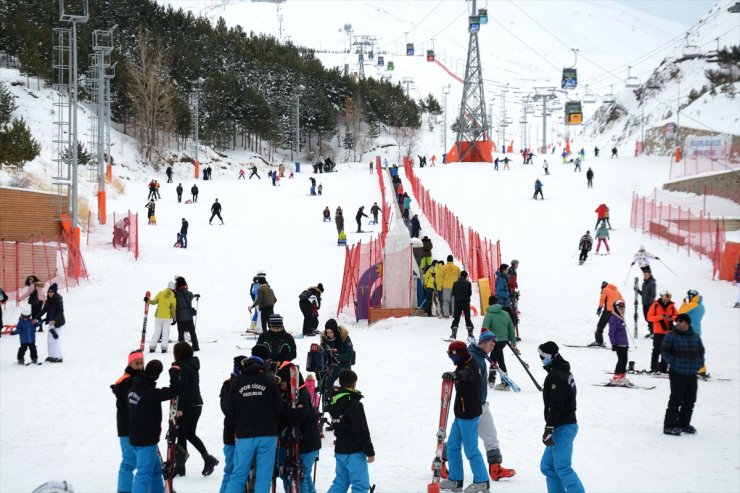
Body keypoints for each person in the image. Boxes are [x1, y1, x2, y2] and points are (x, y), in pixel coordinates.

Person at [223, 350, 282, 493]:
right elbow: (279, 408)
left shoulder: (237, 382)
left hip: (245, 434)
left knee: (238, 475)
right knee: (264, 476)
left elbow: (230, 410)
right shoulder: (269, 380)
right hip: (268, 434)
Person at [439, 341, 489, 493]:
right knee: (453, 447)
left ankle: (482, 481)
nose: (450, 358)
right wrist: (454, 374)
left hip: (469, 415)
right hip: (460, 414)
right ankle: (455, 480)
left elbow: (467, 375)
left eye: (451, 355)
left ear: (458, 354)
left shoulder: (471, 365)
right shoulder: (462, 363)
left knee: (471, 449)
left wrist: (455, 375)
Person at [467, 330, 516, 480]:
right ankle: (440, 461)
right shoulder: (472, 357)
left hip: (482, 404)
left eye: (494, 344)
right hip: (470, 407)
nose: (492, 347)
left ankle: (495, 468)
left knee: (491, 436)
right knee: (462, 438)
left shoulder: (481, 356)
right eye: (491, 344)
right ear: (482, 343)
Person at [537, 342, 585, 493]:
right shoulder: (561, 371)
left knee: (562, 467)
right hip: (562, 425)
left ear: (549, 357)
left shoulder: (556, 376)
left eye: (542, 356)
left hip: (563, 426)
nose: (540, 359)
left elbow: (558, 404)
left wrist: (550, 427)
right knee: (548, 466)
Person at [127, 359, 180, 493]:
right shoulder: (150, 393)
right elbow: (174, 391)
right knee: (143, 475)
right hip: (145, 441)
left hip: (136, 438)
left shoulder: (135, 385)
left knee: (156, 472)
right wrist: (174, 373)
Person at [172, 342, 219, 477]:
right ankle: (207, 458)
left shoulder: (183, 367)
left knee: (182, 434)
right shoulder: (192, 365)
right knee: (189, 434)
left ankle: (180, 467)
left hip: (188, 406)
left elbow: (184, 388)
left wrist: (179, 408)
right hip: (197, 404)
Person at [326, 369, 375, 493]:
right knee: (360, 486)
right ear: (354, 384)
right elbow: (361, 429)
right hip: (354, 452)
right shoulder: (354, 404)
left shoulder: (335, 402)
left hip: (340, 451)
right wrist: (369, 451)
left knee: (340, 483)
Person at [277, 363, 321, 493]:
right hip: (301, 444)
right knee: (304, 478)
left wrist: (281, 409)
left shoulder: (302, 396)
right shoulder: (289, 395)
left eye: (283, 382)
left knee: (299, 479)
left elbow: (297, 416)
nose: (281, 385)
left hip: (306, 445)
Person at [661, 313, 704, 436]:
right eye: (677, 321)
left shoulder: (695, 337)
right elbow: (664, 352)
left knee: (690, 400)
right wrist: (673, 362)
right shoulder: (671, 336)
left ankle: (684, 424)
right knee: (676, 400)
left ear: (687, 323)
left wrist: (699, 364)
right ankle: (669, 426)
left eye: (681, 321)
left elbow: (701, 352)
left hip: (691, 374)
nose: (678, 323)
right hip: (677, 373)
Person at [111, 350, 144, 493]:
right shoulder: (128, 381)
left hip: (134, 427)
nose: (140, 366)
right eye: (136, 364)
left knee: (138, 461)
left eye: (142, 363)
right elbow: (132, 404)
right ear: (130, 364)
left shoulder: (136, 379)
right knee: (129, 462)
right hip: (127, 428)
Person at [218, 354, 247, 493]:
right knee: (231, 470)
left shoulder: (247, 383)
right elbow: (226, 409)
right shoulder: (228, 384)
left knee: (242, 471)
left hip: (246, 434)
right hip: (231, 434)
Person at [481, 295, 517, 391]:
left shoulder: (489, 314)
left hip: (494, 341)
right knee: (493, 357)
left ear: (489, 303)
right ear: (497, 303)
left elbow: (484, 329)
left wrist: (482, 343)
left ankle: (505, 383)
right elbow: (511, 328)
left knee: (500, 361)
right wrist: (513, 341)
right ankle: (491, 380)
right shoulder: (505, 313)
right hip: (504, 341)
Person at [647, 290, 677, 373]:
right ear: (662, 296)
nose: (667, 299)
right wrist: (660, 317)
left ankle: (664, 368)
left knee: (666, 350)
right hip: (658, 331)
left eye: (669, 297)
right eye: (665, 297)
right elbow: (649, 317)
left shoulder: (672, 306)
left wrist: (672, 318)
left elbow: (677, 316)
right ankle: (654, 367)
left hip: (668, 332)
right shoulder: (655, 305)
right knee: (656, 349)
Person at [679, 289, 707, 375]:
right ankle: (702, 369)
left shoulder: (693, 305)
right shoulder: (701, 306)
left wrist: (684, 303)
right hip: (697, 329)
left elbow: (680, 313)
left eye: (689, 296)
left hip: (690, 330)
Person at [145, 282, 177, 353]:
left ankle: (152, 348)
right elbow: (173, 308)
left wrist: (147, 301)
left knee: (156, 332)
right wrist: (174, 318)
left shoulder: (161, 293)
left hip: (158, 316)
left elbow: (154, 302)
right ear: (173, 288)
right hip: (167, 318)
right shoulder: (173, 297)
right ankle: (164, 348)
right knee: (165, 333)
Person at [38, 283, 65, 363]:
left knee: (55, 339)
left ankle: (58, 357)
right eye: (49, 291)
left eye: (51, 291)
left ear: (55, 292)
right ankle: (51, 356)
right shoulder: (49, 300)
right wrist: (36, 317)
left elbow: (61, 312)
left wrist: (55, 320)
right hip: (51, 321)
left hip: (58, 322)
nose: (50, 293)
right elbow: (44, 310)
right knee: (49, 339)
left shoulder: (58, 299)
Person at [593, 281, 624, 347]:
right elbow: (622, 301)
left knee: (600, 326)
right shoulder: (616, 291)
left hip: (607, 311)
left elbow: (602, 300)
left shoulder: (605, 289)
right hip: (615, 312)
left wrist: (599, 309)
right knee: (615, 328)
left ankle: (599, 341)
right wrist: (620, 312)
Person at [608, 301, 631, 386]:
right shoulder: (613, 318)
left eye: (623, 308)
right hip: (618, 344)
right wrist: (613, 344)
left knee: (625, 360)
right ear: (616, 309)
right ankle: (616, 378)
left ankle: (622, 377)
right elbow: (611, 332)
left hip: (624, 343)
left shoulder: (620, 318)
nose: (622, 310)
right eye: (620, 308)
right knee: (621, 360)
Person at [174, 276, 199, 351]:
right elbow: (191, 295)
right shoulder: (190, 294)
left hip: (180, 318)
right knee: (192, 332)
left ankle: (181, 348)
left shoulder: (176, 295)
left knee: (181, 334)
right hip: (189, 317)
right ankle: (195, 346)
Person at [449, 271, 474, 342]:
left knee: (456, 318)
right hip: (466, 302)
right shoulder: (468, 283)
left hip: (457, 302)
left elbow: (453, 293)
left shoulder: (455, 283)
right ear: (466, 276)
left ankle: (453, 334)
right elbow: (470, 293)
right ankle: (470, 335)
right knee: (467, 318)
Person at [636, 271, 657, 337]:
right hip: (644, 304)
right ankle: (651, 331)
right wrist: (638, 291)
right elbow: (643, 294)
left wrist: (651, 304)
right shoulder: (644, 284)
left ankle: (654, 332)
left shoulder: (652, 283)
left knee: (650, 318)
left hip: (650, 304)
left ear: (650, 275)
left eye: (646, 275)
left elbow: (653, 294)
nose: (645, 276)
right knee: (647, 318)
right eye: (644, 275)